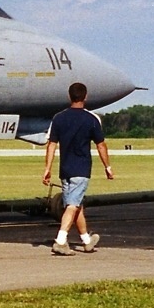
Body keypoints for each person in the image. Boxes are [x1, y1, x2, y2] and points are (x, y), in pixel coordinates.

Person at [41, 81, 114, 255]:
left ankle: (87, 240)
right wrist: (108, 166)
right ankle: (60, 240)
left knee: (76, 204)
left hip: (65, 169)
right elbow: (101, 145)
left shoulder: (59, 118)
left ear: (70, 96)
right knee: (73, 205)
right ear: (85, 97)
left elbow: (51, 144)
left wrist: (47, 167)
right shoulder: (91, 119)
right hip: (81, 169)